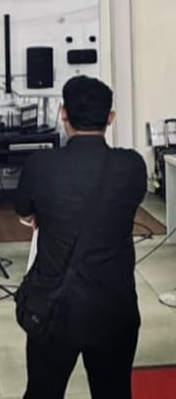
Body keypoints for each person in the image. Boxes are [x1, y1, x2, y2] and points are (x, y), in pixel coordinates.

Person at [15, 76, 147, 399]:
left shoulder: (40, 165)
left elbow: (24, 212)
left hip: (53, 310)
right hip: (114, 308)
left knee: (42, 392)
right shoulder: (132, 166)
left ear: (63, 113)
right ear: (110, 118)